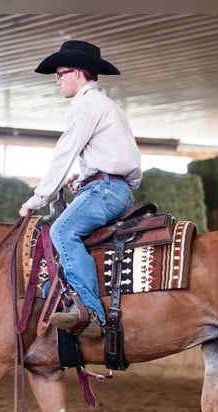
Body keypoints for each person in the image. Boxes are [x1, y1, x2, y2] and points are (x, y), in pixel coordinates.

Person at [19, 40, 142, 338]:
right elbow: (126, 163)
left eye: (60, 74)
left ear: (77, 73)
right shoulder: (107, 106)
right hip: (113, 188)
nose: (58, 80)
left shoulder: (87, 105)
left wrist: (37, 199)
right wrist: (88, 177)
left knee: (61, 232)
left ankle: (91, 314)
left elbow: (65, 152)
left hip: (106, 190)